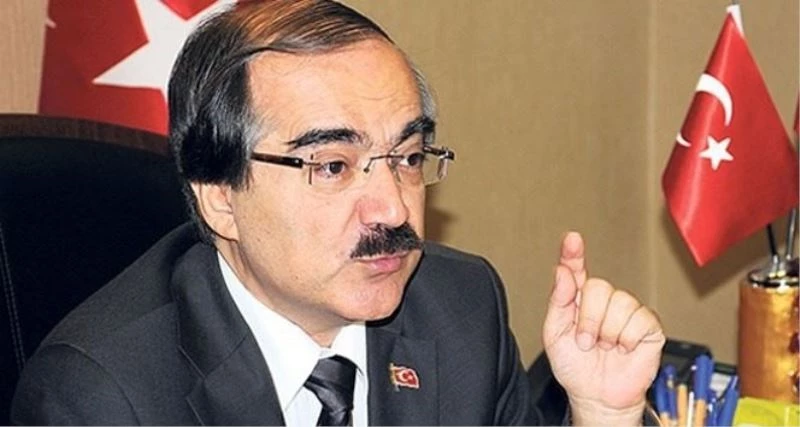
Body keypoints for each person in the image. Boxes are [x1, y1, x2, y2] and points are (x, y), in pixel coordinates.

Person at [12, 0, 665, 425]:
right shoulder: (102, 395)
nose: (392, 208)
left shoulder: (459, 307)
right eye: (332, 166)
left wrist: (602, 413)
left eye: (408, 156)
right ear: (221, 197)